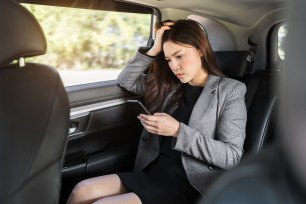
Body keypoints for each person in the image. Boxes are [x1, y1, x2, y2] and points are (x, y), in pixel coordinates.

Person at [66, 19, 247, 204]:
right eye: (168, 59)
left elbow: (231, 156)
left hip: (190, 184)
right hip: (155, 171)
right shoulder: (170, 85)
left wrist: (178, 130)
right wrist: (154, 50)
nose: (174, 66)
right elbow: (126, 80)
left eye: (179, 56)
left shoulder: (230, 90)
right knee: (81, 190)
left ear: (200, 49)